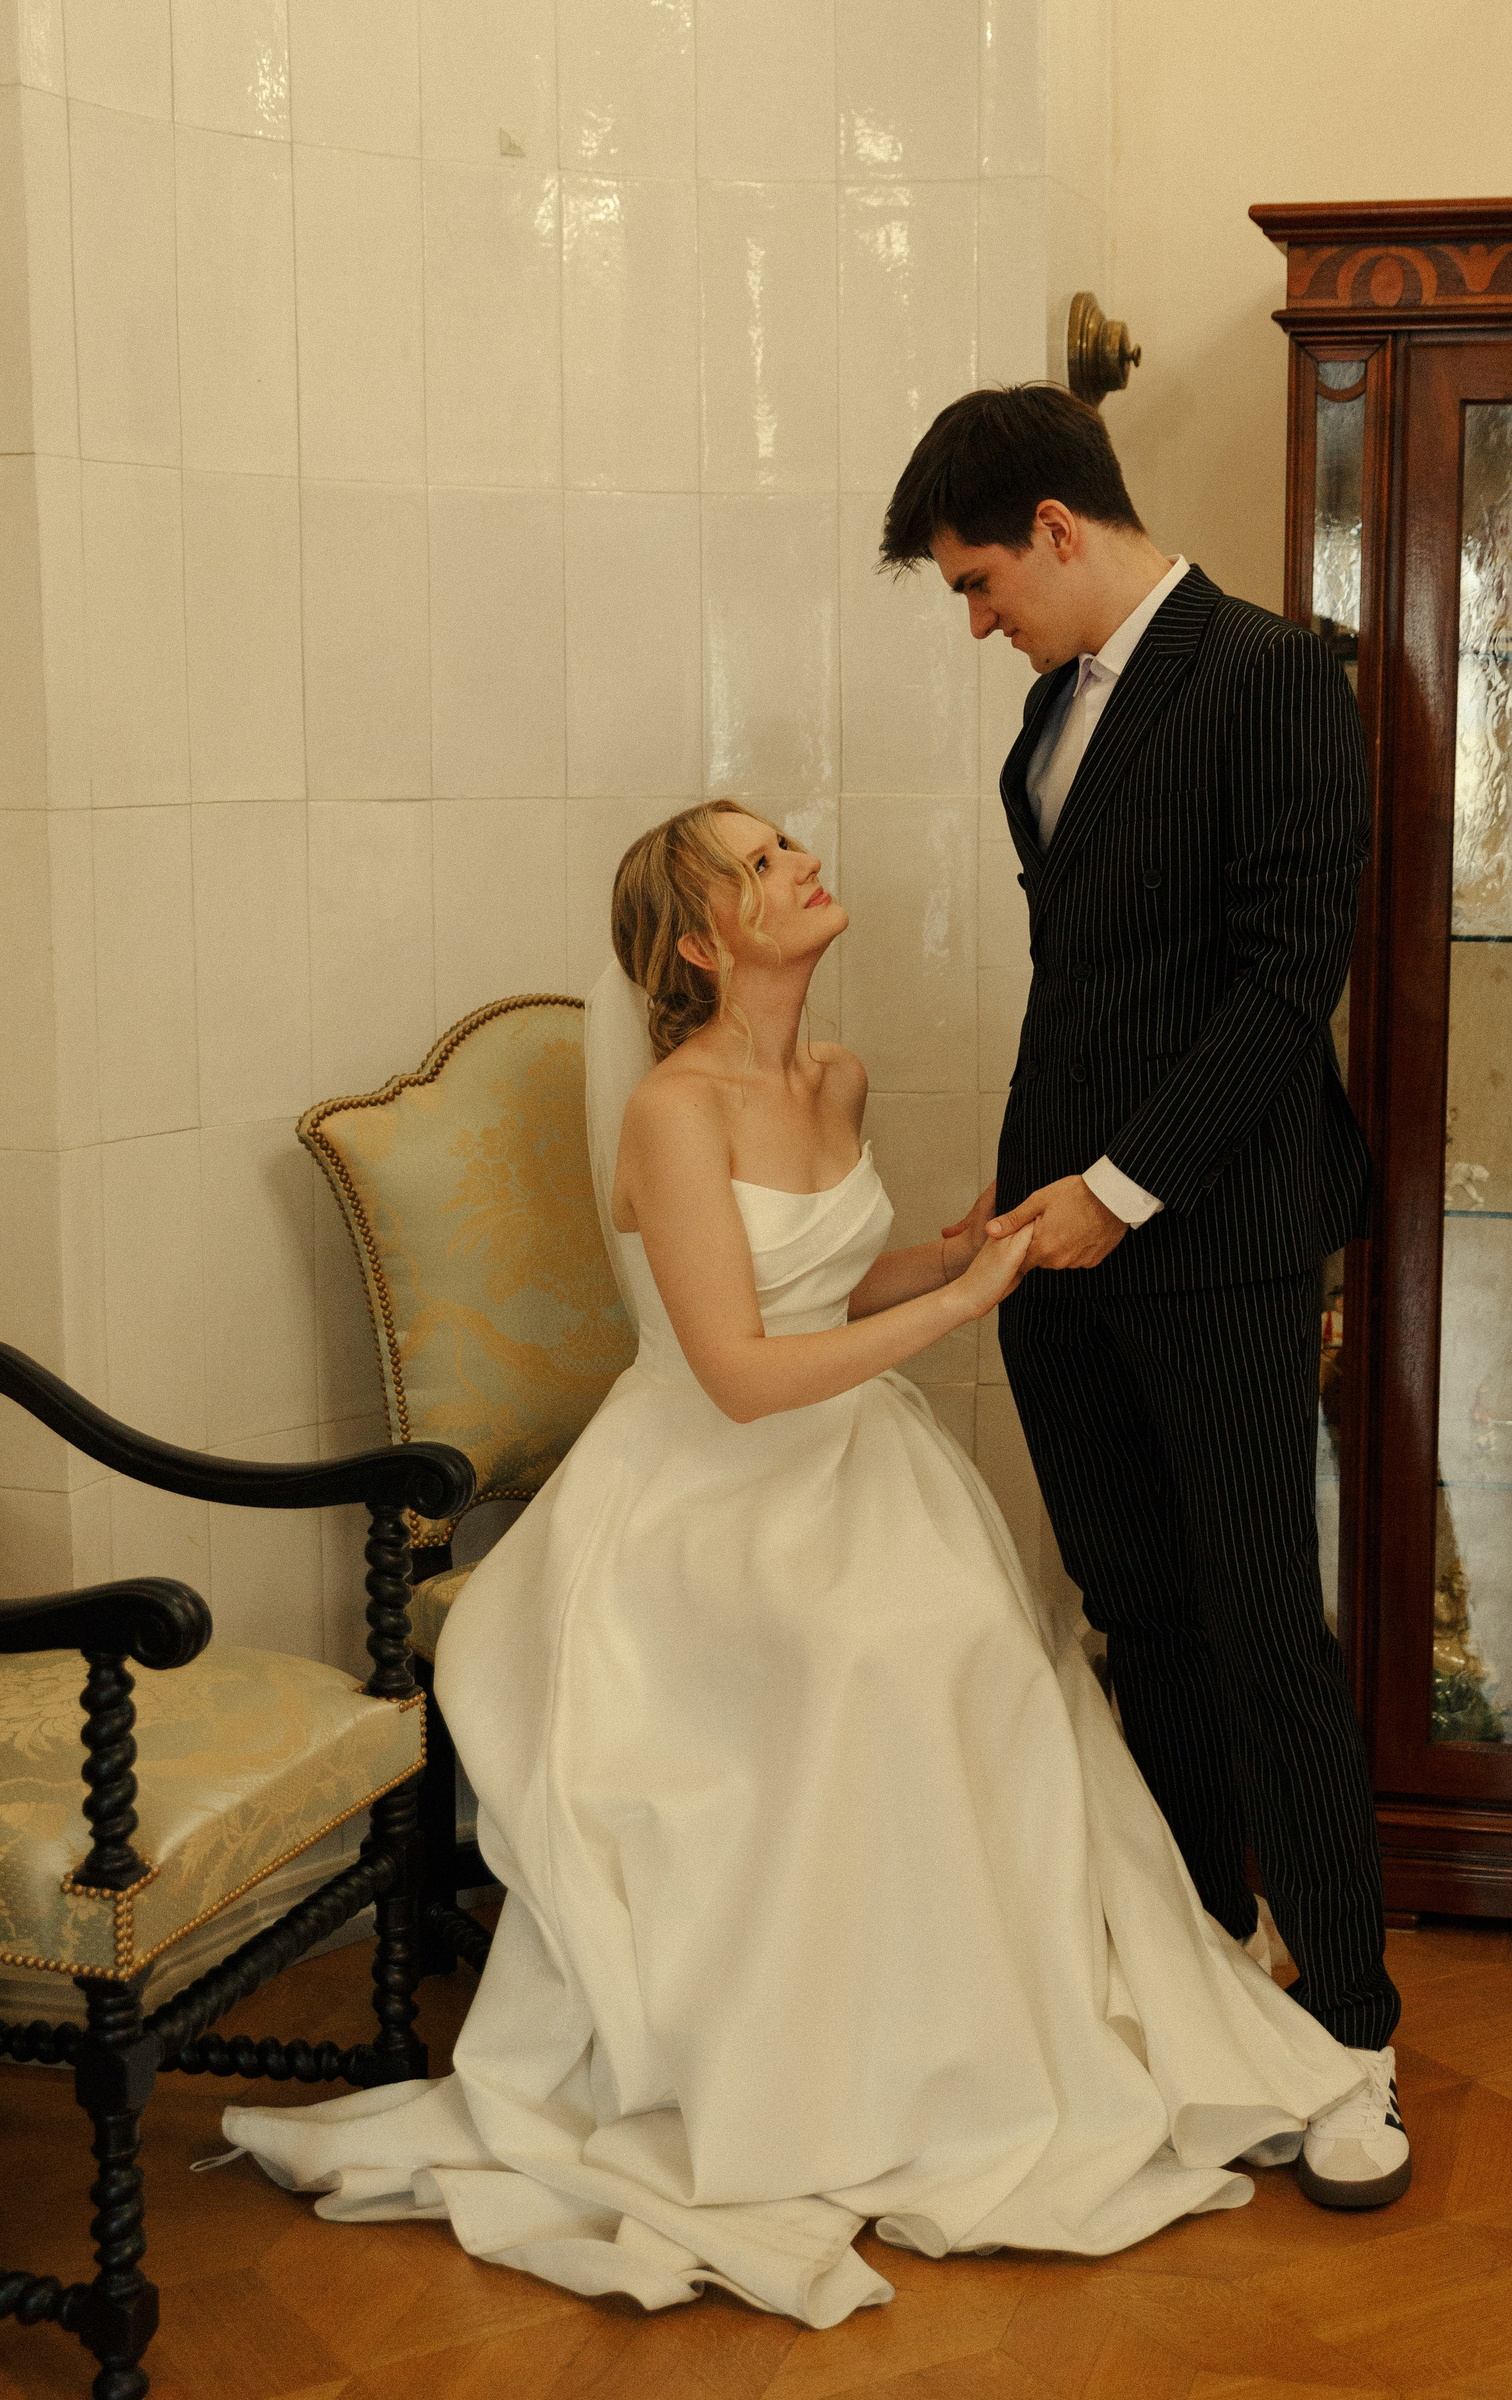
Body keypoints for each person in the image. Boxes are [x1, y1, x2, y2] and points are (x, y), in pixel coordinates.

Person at [222, 800, 1377, 2331]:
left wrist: (954, 1252)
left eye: (786, 842)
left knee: (983, 1632)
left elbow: (826, 1280)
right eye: (761, 863)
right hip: (705, 1487)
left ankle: (965, 2026)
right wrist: (963, 1310)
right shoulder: (673, 1111)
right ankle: (827, 2052)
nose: (803, 861)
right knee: (860, 1650)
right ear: (702, 944)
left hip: (853, 1452)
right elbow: (741, 1371)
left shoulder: (837, 1076)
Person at [881, 382, 1409, 2203]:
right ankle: (1208, 1968)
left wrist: (1123, 1189)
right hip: (1058, 1244)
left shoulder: (1273, 677)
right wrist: (1038, 1189)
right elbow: (1092, 984)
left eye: (977, 582)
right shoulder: (1051, 708)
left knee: (1262, 1624)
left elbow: (1284, 984)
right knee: (1137, 1612)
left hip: (1222, 1235)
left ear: (1054, 525)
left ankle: (1353, 2029)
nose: (976, 624)